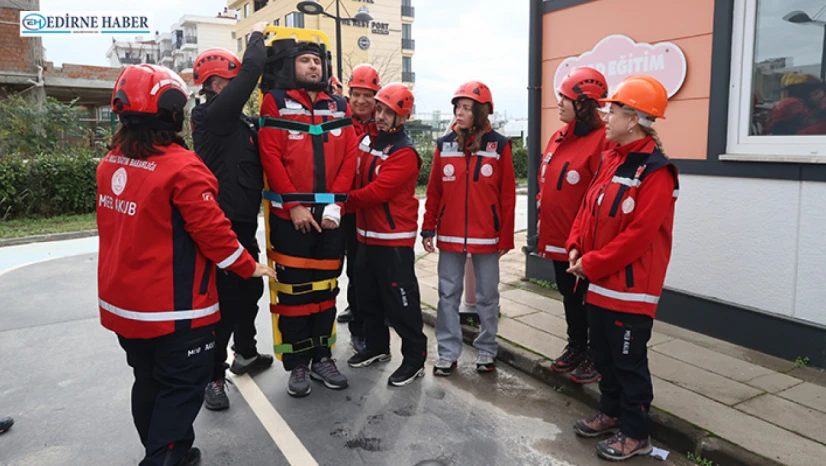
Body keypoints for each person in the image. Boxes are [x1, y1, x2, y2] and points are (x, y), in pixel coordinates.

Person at [97, 64, 276, 466]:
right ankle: (166, 456)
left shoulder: (111, 162)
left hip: (124, 307)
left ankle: (166, 449)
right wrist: (249, 266)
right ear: (172, 111)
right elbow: (213, 234)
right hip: (173, 309)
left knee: (148, 380)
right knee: (181, 386)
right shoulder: (183, 168)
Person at [566, 75, 678, 461]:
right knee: (603, 357)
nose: (605, 116)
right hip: (599, 283)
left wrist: (592, 263)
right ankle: (611, 413)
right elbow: (588, 208)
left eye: (612, 110)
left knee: (629, 364)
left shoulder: (657, 171)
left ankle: (636, 433)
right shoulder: (612, 158)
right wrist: (576, 244)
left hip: (631, 290)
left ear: (633, 119)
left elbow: (639, 236)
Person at [258, 38, 358, 397]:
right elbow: (270, 155)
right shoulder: (275, 102)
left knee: (326, 289)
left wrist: (335, 205)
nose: (313, 66)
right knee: (294, 292)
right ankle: (298, 362)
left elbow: (349, 155)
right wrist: (293, 206)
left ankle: (322, 357)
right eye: (304, 60)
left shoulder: (339, 104)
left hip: (330, 217)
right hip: (291, 218)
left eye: (317, 61)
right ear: (291, 65)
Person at [190, 21, 272, 412]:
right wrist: (257, 36)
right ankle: (213, 377)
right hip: (221, 224)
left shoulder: (237, 122)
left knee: (249, 291)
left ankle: (247, 353)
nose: (237, 86)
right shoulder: (211, 116)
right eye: (231, 80)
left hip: (242, 221)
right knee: (224, 303)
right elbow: (252, 73)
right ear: (215, 83)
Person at [421, 81, 516, 376]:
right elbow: (434, 190)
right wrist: (428, 227)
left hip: (487, 235)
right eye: (457, 108)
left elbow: (507, 195)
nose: (459, 113)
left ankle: (486, 350)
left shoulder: (499, 145)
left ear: (481, 112)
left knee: (487, 297)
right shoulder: (444, 144)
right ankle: (448, 353)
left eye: (466, 108)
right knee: (447, 295)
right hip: (450, 235)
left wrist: (506, 236)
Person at [344, 83, 428, 386]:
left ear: (401, 117)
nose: (379, 116)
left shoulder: (404, 152)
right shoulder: (367, 139)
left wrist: (339, 201)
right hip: (366, 235)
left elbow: (377, 192)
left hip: (393, 239)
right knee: (366, 297)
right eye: (378, 109)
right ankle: (377, 346)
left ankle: (415, 359)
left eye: (387, 112)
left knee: (400, 303)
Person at [538, 67, 611, 385]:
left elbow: (601, 193)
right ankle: (577, 345)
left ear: (583, 104)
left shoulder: (602, 140)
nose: (558, 103)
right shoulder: (558, 136)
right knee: (569, 295)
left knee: (588, 299)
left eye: (564, 98)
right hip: (557, 236)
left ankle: (596, 353)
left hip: (584, 241)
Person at [336, 64, 382, 356]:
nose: (362, 100)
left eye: (368, 95)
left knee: (364, 268)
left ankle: (364, 323)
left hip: (368, 207)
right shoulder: (338, 120)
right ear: (349, 94)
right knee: (343, 266)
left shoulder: (383, 124)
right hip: (340, 206)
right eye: (357, 94)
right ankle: (355, 311)